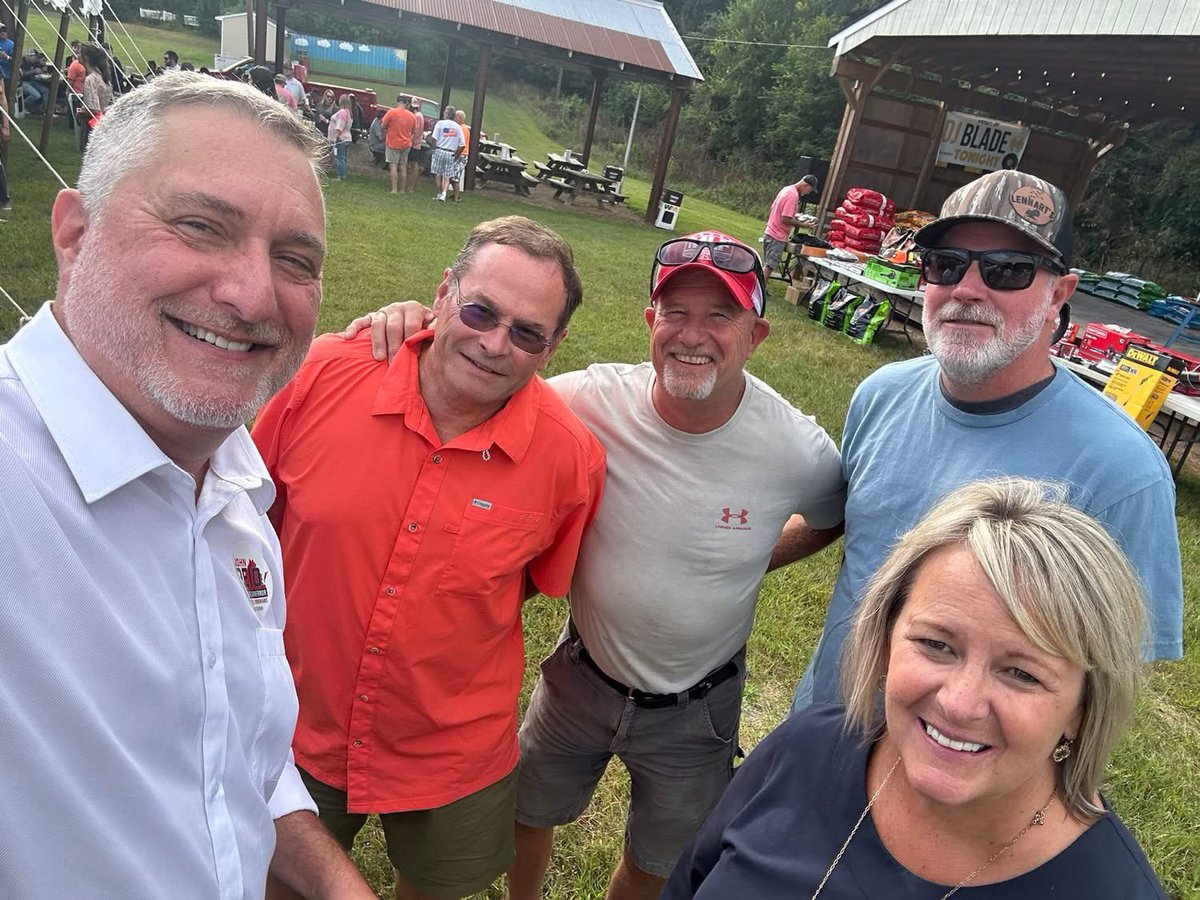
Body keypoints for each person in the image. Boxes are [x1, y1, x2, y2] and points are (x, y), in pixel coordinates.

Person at [350, 230, 847, 899]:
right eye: (675, 312)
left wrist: (754, 557)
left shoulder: (797, 448)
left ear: (755, 336)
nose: (691, 334)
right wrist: (418, 323)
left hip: (698, 703)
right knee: (527, 815)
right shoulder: (588, 400)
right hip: (579, 678)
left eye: (719, 316)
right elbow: (488, 379)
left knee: (660, 860)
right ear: (649, 321)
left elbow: (830, 516)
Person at [0, 71, 373, 899]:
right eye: (201, 226)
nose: (252, 294)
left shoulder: (237, 493)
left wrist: (336, 885)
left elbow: (234, 759)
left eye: (295, 260)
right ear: (74, 233)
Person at [252, 216, 606, 900]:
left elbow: (531, 583)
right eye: (480, 311)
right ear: (444, 293)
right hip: (297, 724)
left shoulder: (571, 459)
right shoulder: (325, 372)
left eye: (527, 333)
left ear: (554, 347)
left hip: (453, 752)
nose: (494, 343)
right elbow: (248, 520)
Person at [790, 169, 1185, 714]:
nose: (967, 289)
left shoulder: (1121, 471)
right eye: (946, 264)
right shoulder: (881, 395)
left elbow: (1105, 681)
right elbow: (847, 542)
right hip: (820, 726)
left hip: (957, 756)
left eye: (1008, 270)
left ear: (1059, 295)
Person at [666, 478, 1168, 899]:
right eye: (936, 644)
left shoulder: (1114, 889)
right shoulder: (803, 750)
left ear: (1082, 708)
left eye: (1022, 673)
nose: (960, 704)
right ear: (886, 636)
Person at [761, 174, 817, 280]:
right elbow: (785, 219)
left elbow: (773, 208)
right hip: (777, 236)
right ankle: (759, 289)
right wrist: (804, 225)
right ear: (805, 185)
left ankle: (759, 286)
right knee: (769, 267)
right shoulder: (793, 196)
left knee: (766, 265)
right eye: (809, 190)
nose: (808, 193)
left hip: (769, 232)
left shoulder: (786, 189)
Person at [78, 43, 113, 152]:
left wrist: (81, 112)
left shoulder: (91, 79)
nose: (78, 55)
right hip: (102, 122)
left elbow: (94, 109)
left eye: (80, 53)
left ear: (86, 58)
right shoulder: (102, 77)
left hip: (91, 124)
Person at [380, 93, 417, 194]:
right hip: (406, 144)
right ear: (406, 103)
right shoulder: (412, 116)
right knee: (403, 166)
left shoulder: (392, 112)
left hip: (393, 143)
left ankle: (394, 189)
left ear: (399, 102)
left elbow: (383, 125)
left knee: (393, 166)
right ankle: (402, 190)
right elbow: (414, 131)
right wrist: (410, 140)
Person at [430, 105, 465, 202]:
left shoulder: (440, 123)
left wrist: (434, 148)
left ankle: (439, 193)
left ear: (446, 114)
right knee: (447, 175)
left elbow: (434, 139)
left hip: (439, 150)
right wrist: (456, 155)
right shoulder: (458, 127)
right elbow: (462, 145)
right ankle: (444, 194)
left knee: (438, 174)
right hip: (450, 152)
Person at [327, 93, 353, 181]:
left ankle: (340, 176)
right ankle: (343, 174)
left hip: (341, 139)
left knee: (339, 157)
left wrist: (335, 138)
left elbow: (339, 127)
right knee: (343, 157)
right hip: (347, 138)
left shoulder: (342, 112)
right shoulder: (348, 112)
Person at [20, 50, 52, 116]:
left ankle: (45, 110)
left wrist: (41, 71)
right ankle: (22, 106)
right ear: (30, 56)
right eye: (35, 57)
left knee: (46, 91)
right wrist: (33, 71)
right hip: (23, 82)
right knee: (36, 95)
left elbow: (37, 70)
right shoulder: (22, 62)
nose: (35, 59)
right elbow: (23, 74)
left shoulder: (33, 62)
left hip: (32, 81)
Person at [451, 109, 471, 202]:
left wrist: (455, 154)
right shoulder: (463, 128)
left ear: (459, 118)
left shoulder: (462, 129)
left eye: (455, 116)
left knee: (455, 177)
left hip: (461, 155)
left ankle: (456, 198)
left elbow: (460, 143)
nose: (454, 118)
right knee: (453, 176)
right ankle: (455, 194)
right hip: (461, 154)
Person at [407, 95, 426, 190]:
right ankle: (410, 186)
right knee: (412, 165)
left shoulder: (417, 116)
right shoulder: (419, 115)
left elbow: (416, 132)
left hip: (414, 145)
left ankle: (412, 187)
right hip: (415, 144)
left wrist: (409, 142)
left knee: (414, 166)